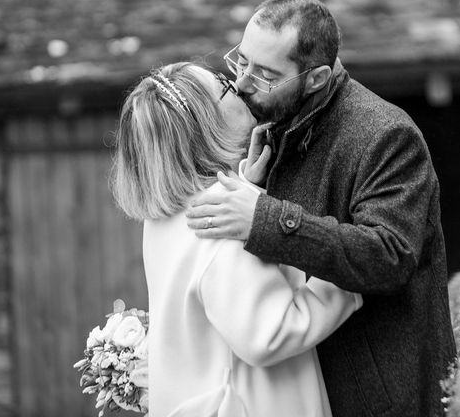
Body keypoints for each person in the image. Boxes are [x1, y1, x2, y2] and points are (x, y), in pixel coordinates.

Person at [186, 0, 457, 417]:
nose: (241, 83)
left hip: (380, 401)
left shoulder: (387, 135)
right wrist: (251, 187)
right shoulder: (275, 124)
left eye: (265, 74)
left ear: (316, 79)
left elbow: (390, 255)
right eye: (241, 60)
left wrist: (265, 217)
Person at [110, 62, 362, 417]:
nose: (242, 85)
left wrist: (247, 185)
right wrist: (346, 271)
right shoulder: (224, 226)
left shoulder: (165, 218)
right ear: (207, 125)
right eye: (226, 87)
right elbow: (269, 334)